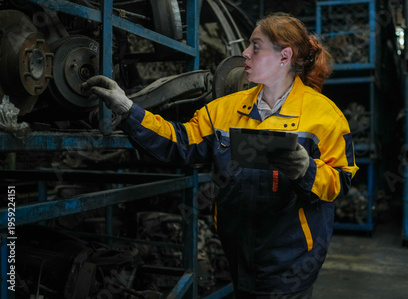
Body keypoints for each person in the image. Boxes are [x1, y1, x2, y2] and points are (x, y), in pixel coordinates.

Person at [82, 12, 358, 299]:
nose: (245, 52)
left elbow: (340, 182)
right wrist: (127, 108)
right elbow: (180, 141)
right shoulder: (224, 109)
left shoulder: (326, 117)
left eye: (256, 46)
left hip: (290, 264)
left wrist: (306, 168)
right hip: (238, 255)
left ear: (284, 56)